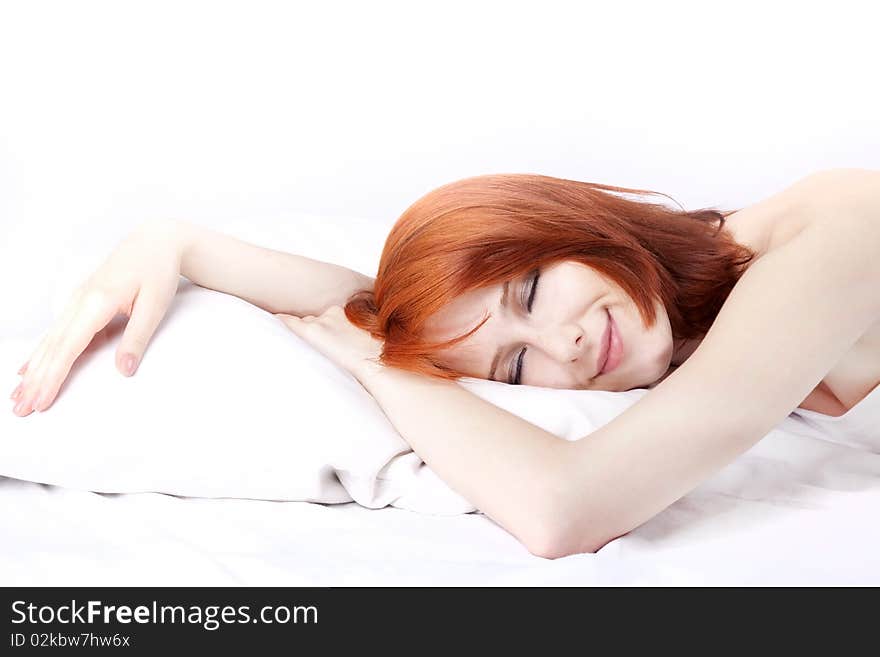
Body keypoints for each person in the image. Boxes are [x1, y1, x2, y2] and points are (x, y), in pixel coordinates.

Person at [9, 169, 880, 559]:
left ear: (575, 227)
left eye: (535, 291)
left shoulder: (831, 235)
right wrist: (176, 240)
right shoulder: (698, 315)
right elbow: (359, 301)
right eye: (513, 368)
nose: (565, 346)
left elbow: (567, 510)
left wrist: (381, 372)